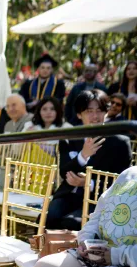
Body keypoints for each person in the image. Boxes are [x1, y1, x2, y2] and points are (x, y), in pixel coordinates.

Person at [33, 166, 137, 267]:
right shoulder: (129, 173)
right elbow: (98, 214)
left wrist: (116, 255)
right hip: (103, 255)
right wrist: (85, 241)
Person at [46, 90, 131, 231]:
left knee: (71, 223)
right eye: (89, 111)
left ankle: (77, 252)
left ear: (106, 112)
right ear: (79, 114)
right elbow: (63, 172)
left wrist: (89, 183)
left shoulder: (120, 142)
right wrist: (82, 156)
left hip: (98, 199)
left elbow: (122, 182)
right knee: (49, 216)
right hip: (69, 194)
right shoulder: (69, 138)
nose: (95, 116)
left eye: (99, 111)